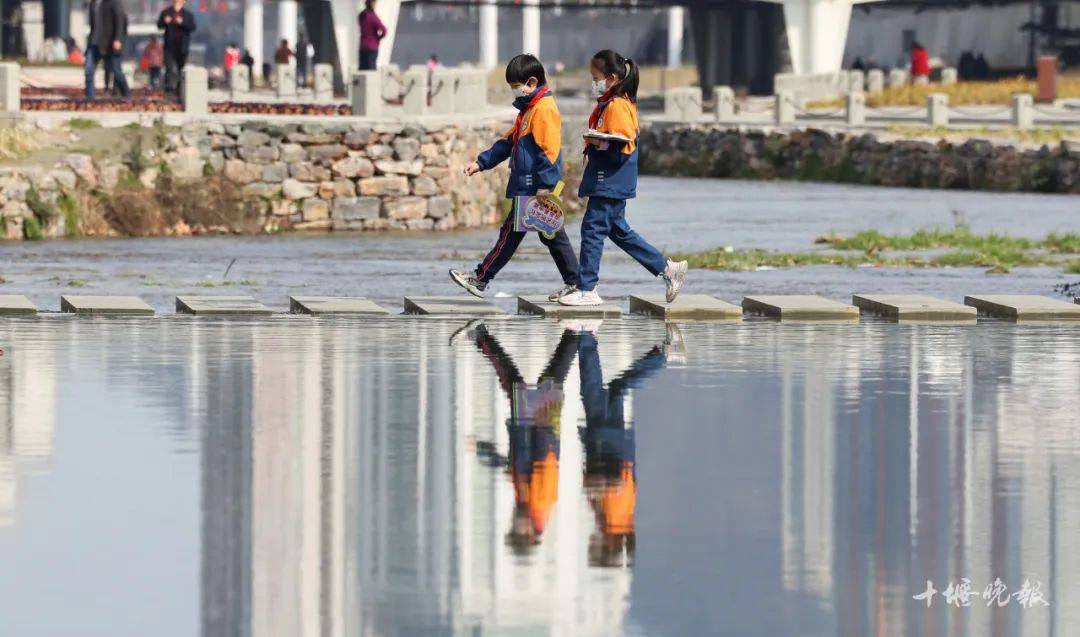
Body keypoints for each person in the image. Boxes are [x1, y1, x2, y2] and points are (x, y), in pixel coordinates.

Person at [559, 49, 687, 307]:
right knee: (618, 231)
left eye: (596, 77)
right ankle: (668, 269)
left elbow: (624, 144)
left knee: (592, 230)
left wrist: (600, 143)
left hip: (610, 180)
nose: (593, 82)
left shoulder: (617, 105)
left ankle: (587, 289)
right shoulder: (614, 103)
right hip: (612, 179)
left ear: (612, 79)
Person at [450, 54, 579, 301]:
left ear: (532, 81)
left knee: (513, 233)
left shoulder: (544, 109)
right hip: (530, 185)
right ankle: (577, 283)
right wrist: (481, 162)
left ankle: (481, 279)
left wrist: (546, 186)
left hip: (534, 187)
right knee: (550, 234)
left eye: (516, 87)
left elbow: (549, 151)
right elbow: (509, 142)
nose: (514, 92)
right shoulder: (530, 109)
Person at [467, 322, 578, 554]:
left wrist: (482, 450)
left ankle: (575, 333)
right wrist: (539, 425)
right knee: (514, 378)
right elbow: (545, 462)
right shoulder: (539, 504)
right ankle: (480, 336)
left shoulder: (529, 505)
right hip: (537, 425)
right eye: (516, 529)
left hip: (534, 426)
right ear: (528, 532)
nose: (513, 523)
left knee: (540, 376)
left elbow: (511, 467)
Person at [85, 0, 130, 99]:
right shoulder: (93, 3)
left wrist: (118, 38)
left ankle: (127, 94)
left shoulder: (113, 2)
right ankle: (90, 97)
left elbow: (120, 21)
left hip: (109, 43)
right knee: (89, 70)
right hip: (94, 42)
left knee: (116, 71)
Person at [157, 0, 196, 95]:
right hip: (169, 45)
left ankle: (180, 88)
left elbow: (193, 27)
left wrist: (182, 22)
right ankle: (168, 89)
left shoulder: (187, 14)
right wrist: (164, 21)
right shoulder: (166, 12)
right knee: (169, 68)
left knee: (181, 68)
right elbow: (159, 25)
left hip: (182, 46)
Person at [357, 0, 386, 71]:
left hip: (363, 46)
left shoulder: (361, 15)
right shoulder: (372, 16)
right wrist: (378, 39)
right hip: (372, 47)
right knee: (371, 71)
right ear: (372, 3)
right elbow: (384, 30)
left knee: (362, 70)